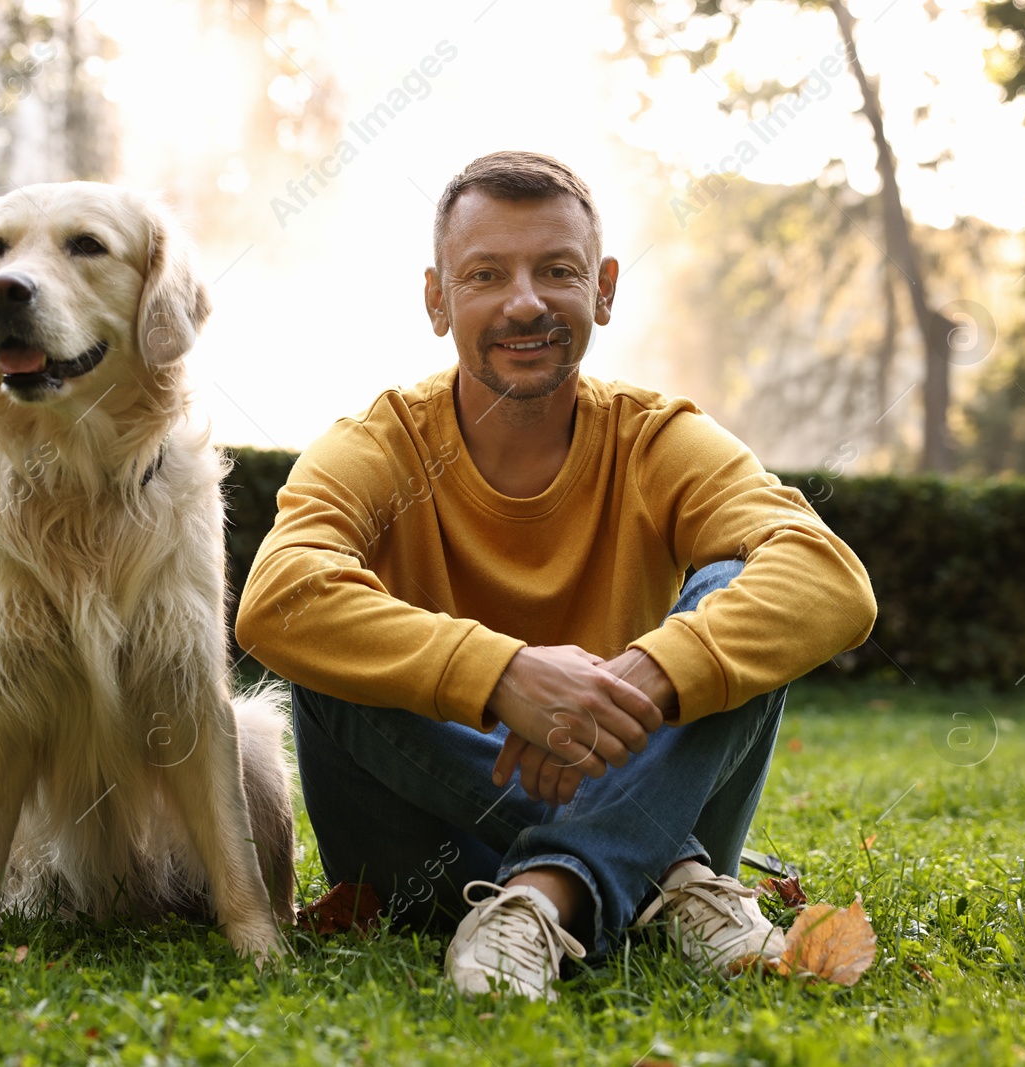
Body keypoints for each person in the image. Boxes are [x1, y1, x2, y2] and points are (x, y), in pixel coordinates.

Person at [235, 150, 877, 1001]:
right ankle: (662, 876)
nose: (526, 301)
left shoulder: (656, 440)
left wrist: (643, 677)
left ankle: (542, 899)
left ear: (604, 288)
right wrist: (503, 677)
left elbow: (829, 579)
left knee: (743, 593)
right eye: (486, 274)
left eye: (558, 271)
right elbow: (276, 598)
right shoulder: (376, 445)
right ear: (439, 299)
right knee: (330, 643)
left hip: (570, 842)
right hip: (429, 863)